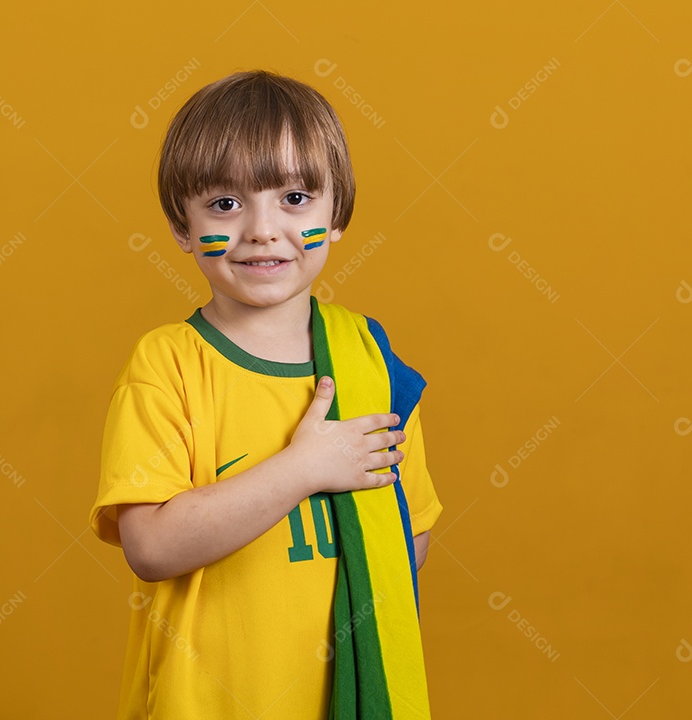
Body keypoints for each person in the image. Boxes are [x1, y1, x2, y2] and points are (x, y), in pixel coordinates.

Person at [89, 69, 443, 719]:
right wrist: (303, 469)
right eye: (225, 204)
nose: (262, 228)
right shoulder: (166, 365)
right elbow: (152, 547)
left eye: (295, 198)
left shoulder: (370, 361)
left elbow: (408, 534)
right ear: (180, 224)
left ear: (336, 213)